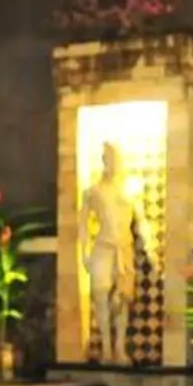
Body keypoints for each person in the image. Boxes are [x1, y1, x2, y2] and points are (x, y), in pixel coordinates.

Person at [82, 141, 141, 362]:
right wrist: (84, 254)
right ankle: (106, 346)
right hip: (103, 247)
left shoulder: (132, 189)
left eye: (116, 158)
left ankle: (119, 347)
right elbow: (83, 225)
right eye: (108, 158)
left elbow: (141, 219)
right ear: (104, 161)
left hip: (123, 248)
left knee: (123, 298)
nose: (113, 163)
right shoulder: (93, 191)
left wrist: (150, 245)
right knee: (101, 293)